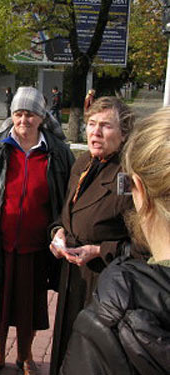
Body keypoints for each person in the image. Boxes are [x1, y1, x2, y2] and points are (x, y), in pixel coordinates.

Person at [0, 86, 75, 375]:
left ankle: (25, 356)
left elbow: (69, 196)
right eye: (18, 114)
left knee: (30, 307)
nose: (24, 120)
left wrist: (64, 232)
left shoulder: (58, 153)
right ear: (12, 115)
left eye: (30, 114)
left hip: (37, 246)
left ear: (42, 117)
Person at [60, 107, 170, 374]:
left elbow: (143, 244)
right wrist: (58, 231)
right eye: (91, 124)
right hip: (74, 277)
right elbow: (67, 213)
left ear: (124, 135)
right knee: (66, 345)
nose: (95, 132)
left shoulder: (130, 176)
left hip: (110, 285)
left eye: (106, 126)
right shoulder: (82, 163)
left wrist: (99, 250)